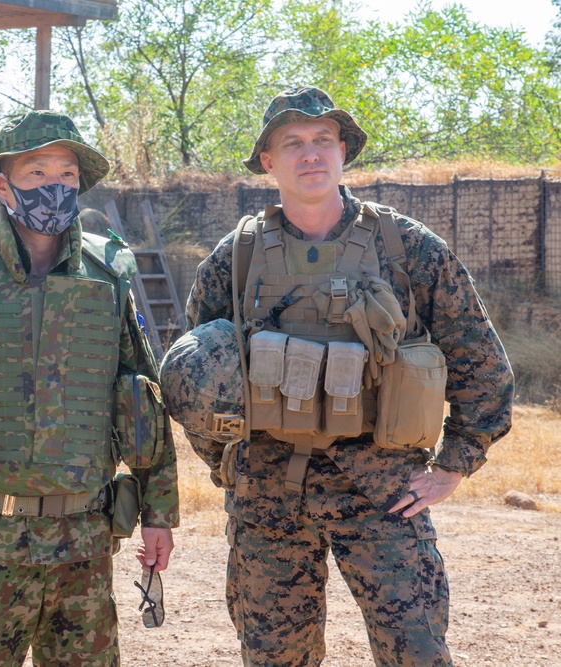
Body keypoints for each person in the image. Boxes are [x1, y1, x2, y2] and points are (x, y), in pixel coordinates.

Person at [174, 86, 514, 666]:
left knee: (417, 651)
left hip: (383, 487)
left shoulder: (406, 246)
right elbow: (194, 374)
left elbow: (480, 359)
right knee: (277, 657)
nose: (310, 155)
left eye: (323, 141)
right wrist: (226, 464)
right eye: (293, 143)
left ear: (343, 153)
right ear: (267, 161)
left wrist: (455, 464)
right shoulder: (238, 256)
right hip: (268, 492)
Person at [0, 110, 179, 666]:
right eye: (37, 171)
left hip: (86, 543)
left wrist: (159, 510)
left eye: (68, 174)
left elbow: (141, 400)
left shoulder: (107, 274)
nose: (55, 186)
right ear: (2, 185)